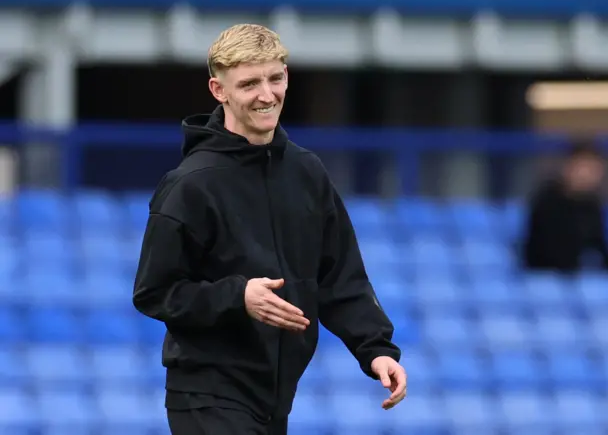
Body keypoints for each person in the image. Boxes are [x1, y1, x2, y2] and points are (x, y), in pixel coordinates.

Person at [132, 23, 406, 435]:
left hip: (276, 400)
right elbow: (154, 293)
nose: (266, 95)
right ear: (218, 90)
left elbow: (339, 276)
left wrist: (375, 350)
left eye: (275, 78)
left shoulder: (307, 172)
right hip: (207, 394)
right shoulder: (191, 184)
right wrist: (237, 295)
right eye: (249, 84)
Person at [522, 139, 608, 274]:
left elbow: (601, 246)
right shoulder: (546, 200)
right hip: (544, 275)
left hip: (576, 276)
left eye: (594, 169)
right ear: (568, 166)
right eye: (583, 167)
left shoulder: (594, 204)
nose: (587, 174)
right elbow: (543, 249)